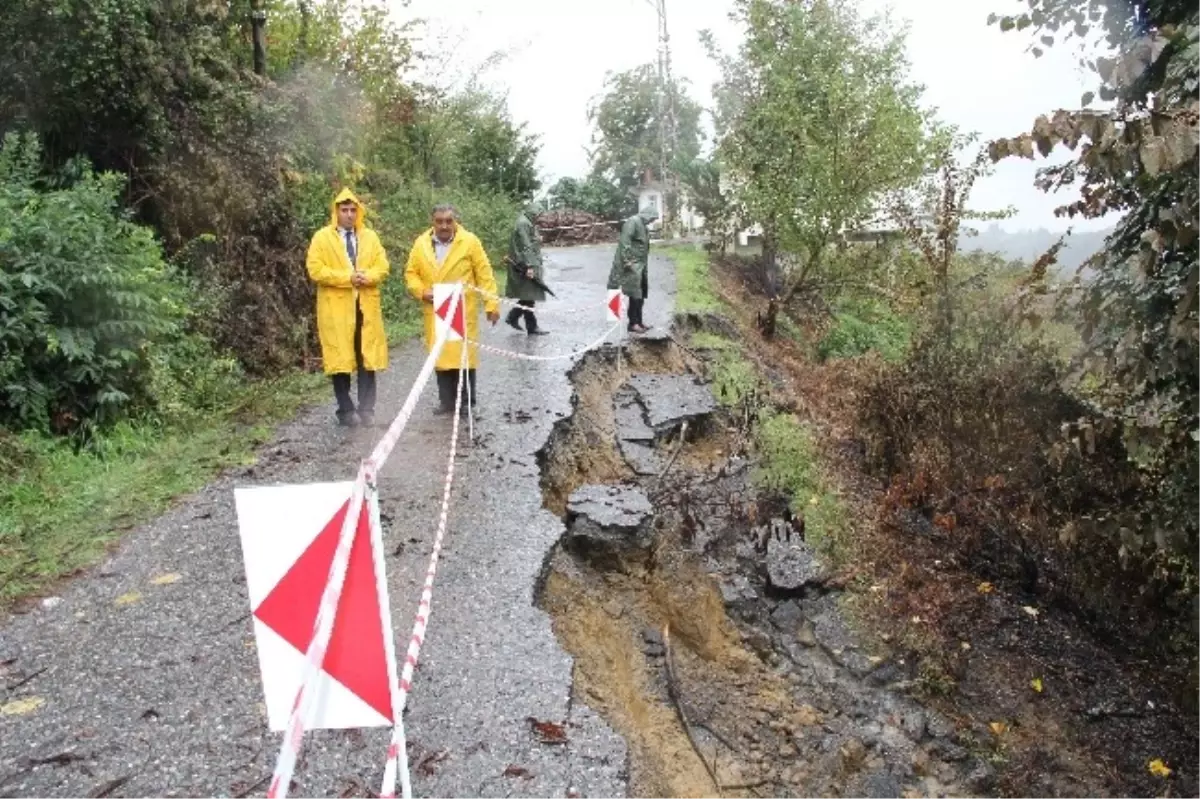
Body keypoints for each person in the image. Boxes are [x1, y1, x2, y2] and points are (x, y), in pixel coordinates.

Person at [404, 204, 500, 415]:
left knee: (462, 356)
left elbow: (484, 273)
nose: (444, 226)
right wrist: (421, 291)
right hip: (435, 306)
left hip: (462, 308)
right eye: (439, 221)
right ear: (433, 222)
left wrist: (491, 304)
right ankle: (446, 402)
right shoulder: (421, 244)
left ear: (455, 221)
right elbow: (411, 273)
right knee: (440, 356)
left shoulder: (470, 242)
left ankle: (466, 402)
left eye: (449, 221)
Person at [306, 188, 390, 427]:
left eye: (353, 210)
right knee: (339, 358)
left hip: (365, 308)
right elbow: (315, 270)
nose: (350, 214)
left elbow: (382, 265)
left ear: (359, 212)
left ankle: (367, 409)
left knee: (367, 357)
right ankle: (345, 409)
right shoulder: (322, 238)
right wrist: (347, 278)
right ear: (336, 211)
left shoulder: (370, 237)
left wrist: (369, 277)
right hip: (336, 310)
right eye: (345, 210)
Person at [607, 205, 660, 334]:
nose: (652, 221)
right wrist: (627, 261)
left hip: (640, 266)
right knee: (634, 293)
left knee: (640, 294)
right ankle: (633, 323)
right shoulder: (633, 222)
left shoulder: (643, 226)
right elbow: (625, 242)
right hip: (631, 265)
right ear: (647, 214)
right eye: (652, 218)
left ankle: (639, 321)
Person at [503, 206, 550, 336]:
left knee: (529, 294)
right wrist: (529, 266)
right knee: (529, 294)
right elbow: (525, 246)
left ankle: (521, 321)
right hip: (523, 263)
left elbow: (529, 241)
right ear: (533, 212)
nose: (540, 217)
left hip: (526, 261)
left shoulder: (527, 222)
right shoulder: (523, 223)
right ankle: (523, 321)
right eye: (539, 214)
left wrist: (537, 239)